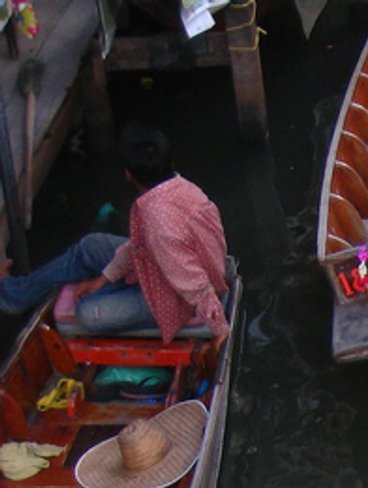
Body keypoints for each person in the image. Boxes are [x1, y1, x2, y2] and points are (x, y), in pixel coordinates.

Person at [0, 123, 228, 342]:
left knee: (87, 313)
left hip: (177, 298)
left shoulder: (159, 225)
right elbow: (139, 246)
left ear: (128, 175)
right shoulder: (182, 187)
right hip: (174, 267)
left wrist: (219, 328)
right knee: (91, 246)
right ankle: (15, 295)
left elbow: (192, 282)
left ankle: (121, 291)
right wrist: (102, 279)